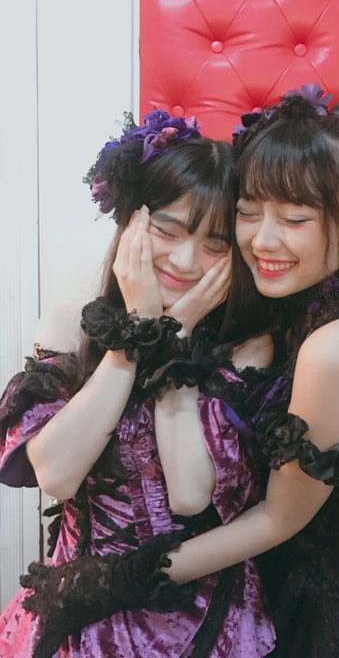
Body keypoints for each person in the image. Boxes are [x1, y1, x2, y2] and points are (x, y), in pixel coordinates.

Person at [12, 87, 339, 657]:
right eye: (250, 213)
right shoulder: (293, 315)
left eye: (295, 218)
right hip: (272, 598)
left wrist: (118, 581)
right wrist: (147, 334)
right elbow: (56, 474)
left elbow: (272, 517)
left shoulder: (328, 346)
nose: (263, 240)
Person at [0, 109, 276, 657]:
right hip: (81, 610)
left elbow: (190, 495)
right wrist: (136, 336)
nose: (185, 260)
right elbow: (56, 475)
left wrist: (176, 336)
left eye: (215, 245)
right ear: (130, 224)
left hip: (205, 621)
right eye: (167, 231)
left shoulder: (248, 349)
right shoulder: (68, 325)